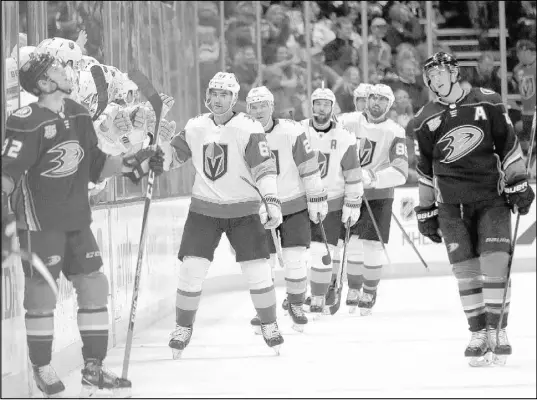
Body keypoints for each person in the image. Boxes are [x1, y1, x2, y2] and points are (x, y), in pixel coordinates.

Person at [1, 52, 165, 397]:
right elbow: (7, 174)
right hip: (39, 223)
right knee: (41, 297)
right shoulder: (25, 120)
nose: (65, 70)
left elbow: (95, 164)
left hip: (76, 220)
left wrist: (136, 162)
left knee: (94, 285)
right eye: (56, 68)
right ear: (44, 83)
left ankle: (93, 367)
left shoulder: (77, 113)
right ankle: (42, 366)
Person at [413, 52, 535, 367]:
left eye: (440, 72)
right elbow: (424, 170)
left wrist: (518, 181)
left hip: (491, 199)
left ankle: (498, 330)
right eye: (430, 75)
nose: (435, 79)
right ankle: (478, 333)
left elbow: (508, 144)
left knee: (496, 264)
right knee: (465, 273)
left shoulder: (489, 101)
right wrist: (426, 210)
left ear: (454, 73)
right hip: (451, 206)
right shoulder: (424, 118)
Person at [163, 72, 284, 357]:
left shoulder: (249, 127)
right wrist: (159, 145)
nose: (217, 100)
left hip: (244, 211)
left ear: (234, 98)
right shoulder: (194, 127)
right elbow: (170, 160)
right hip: (203, 211)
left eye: (224, 94)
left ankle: (269, 324)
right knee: (191, 270)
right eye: (213, 93)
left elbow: (264, 168)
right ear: (207, 95)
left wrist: (272, 201)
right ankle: (182, 327)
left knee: (258, 271)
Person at [245, 86, 327, 333]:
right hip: (259, 209)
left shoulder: (292, 130)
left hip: (292, 203)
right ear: (248, 109)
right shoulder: (240, 133)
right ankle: (265, 311)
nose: (259, 111)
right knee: (263, 263)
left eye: (263, 106)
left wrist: (317, 199)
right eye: (254, 107)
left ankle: (296, 304)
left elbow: (309, 167)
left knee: (294, 258)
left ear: (272, 107)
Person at [335, 84, 408, 315]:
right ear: (366, 100)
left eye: (382, 100)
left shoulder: (395, 131)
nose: (376, 103)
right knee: (353, 242)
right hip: (350, 194)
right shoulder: (347, 121)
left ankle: (370, 289)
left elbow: (401, 171)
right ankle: (354, 288)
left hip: (379, 195)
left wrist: (372, 176)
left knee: (373, 245)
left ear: (389, 104)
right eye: (373, 98)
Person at [299, 87, 363, 317]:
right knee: (299, 252)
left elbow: (353, 173)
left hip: (333, 202)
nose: (322, 108)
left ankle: (321, 292)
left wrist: (353, 201)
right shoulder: (298, 131)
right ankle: (301, 293)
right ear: (311, 106)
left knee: (324, 250)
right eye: (318, 103)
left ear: (333, 107)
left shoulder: (344, 137)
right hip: (301, 201)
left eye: (326, 104)